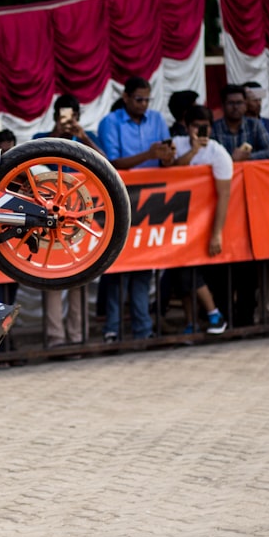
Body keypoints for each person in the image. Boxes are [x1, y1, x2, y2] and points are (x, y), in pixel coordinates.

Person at [97, 78, 173, 343]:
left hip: (152, 199)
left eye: (147, 100)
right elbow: (111, 162)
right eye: (138, 99)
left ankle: (143, 329)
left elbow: (165, 157)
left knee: (144, 268)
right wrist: (149, 154)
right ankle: (113, 330)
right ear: (126, 97)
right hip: (120, 200)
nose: (143, 104)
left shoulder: (157, 120)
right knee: (119, 268)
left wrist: (167, 156)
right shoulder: (110, 122)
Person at [33, 94, 103, 351]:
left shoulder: (86, 139)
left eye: (72, 116)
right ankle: (56, 340)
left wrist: (82, 137)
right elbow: (34, 166)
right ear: (55, 116)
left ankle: (78, 338)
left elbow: (106, 165)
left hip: (81, 219)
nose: (67, 120)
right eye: (63, 115)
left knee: (81, 277)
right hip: (48, 221)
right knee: (52, 279)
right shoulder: (41, 139)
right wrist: (57, 134)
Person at [207, 84, 269, 328]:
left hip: (251, 208)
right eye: (231, 103)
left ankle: (246, 323)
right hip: (221, 209)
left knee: (247, 272)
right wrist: (230, 160)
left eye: (240, 102)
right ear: (223, 106)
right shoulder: (215, 129)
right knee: (221, 271)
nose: (236, 107)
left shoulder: (255, 125)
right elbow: (208, 160)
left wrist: (246, 160)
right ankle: (225, 321)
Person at [165, 106, 230, 335]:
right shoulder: (177, 143)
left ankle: (214, 314)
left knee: (189, 272)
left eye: (205, 126)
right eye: (195, 126)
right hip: (176, 220)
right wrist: (192, 152)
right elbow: (168, 171)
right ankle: (191, 322)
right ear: (186, 126)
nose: (201, 130)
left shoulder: (218, 152)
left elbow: (224, 194)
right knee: (180, 274)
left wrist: (217, 232)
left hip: (203, 223)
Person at [242, 81, 269, 155]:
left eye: (260, 100)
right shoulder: (236, 124)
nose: (258, 103)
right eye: (254, 100)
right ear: (244, 101)